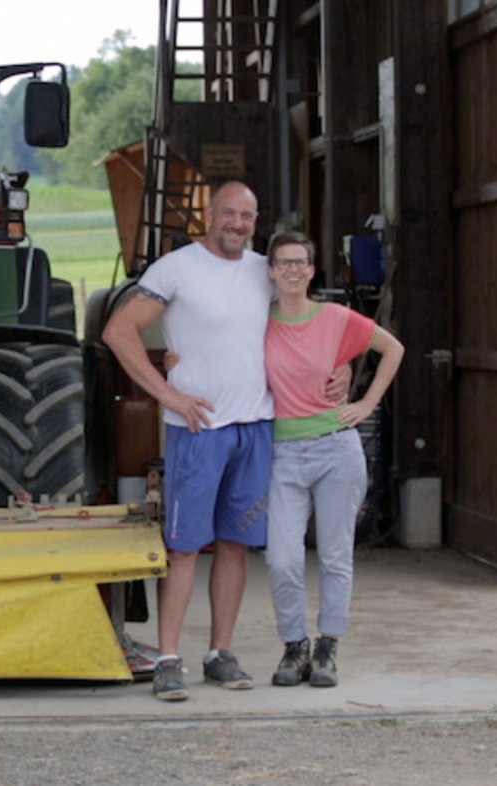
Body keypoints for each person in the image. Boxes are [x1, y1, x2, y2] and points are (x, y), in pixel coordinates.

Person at [104, 181, 332, 702]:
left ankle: (219, 653)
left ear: (256, 221)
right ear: (211, 214)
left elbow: (307, 323)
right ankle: (168, 659)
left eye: (246, 216)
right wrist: (165, 391)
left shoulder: (264, 271)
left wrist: (337, 368)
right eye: (228, 213)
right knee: (184, 548)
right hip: (197, 430)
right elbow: (119, 330)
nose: (236, 223)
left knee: (235, 544)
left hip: (256, 426)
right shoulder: (176, 267)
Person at [261, 230, 403, 688]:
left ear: (312, 268)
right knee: (282, 557)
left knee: (335, 554)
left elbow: (393, 349)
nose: (293, 270)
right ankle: (293, 645)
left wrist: (367, 404)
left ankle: (328, 647)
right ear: (270, 271)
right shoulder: (258, 322)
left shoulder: (336, 317)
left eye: (301, 262)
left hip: (335, 447)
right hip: (283, 453)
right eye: (284, 263)